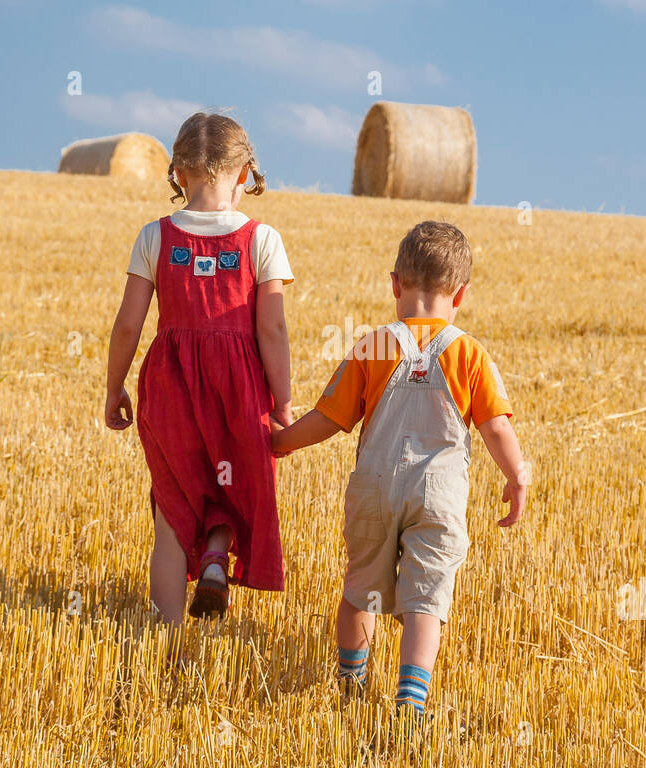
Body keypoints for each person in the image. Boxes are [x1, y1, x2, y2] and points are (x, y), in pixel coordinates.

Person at [271, 220, 526, 723]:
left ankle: (352, 683)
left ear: (395, 285)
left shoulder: (374, 345)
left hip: (374, 488)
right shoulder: (468, 352)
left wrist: (279, 442)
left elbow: (329, 420)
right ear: (462, 294)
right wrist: (517, 475)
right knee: (425, 601)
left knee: (360, 590)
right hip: (439, 496)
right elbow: (496, 427)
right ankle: (410, 701)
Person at [105, 112, 293, 657]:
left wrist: (114, 387)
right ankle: (215, 554)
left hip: (170, 385)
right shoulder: (262, 239)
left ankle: (167, 641)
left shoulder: (154, 236)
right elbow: (272, 327)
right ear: (243, 175)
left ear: (179, 174)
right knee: (233, 488)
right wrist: (282, 400)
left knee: (172, 507)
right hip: (239, 387)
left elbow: (127, 324)